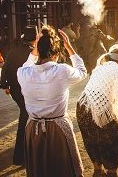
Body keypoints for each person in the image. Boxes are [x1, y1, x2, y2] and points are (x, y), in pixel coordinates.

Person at [17, 26, 88, 176]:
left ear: (38, 51)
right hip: (58, 128)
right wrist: (69, 47)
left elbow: (28, 63)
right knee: (63, 170)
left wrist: (36, 47)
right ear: (56, 54)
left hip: (33, 128)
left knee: (39, 170)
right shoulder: (62, 70)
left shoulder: (23, 73)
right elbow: (82, 72)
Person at [76, 44, 118, 177]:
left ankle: (98, 171)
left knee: (92, 139)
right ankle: (111, 173)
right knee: (114, 140)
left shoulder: (100, 67)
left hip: (83, 107)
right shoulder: (117, 70)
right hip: (97, 108)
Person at [0, 25, 37, 165]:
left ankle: (23, 154)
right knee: (26, 118)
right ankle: (20, 156)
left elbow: (5, 68)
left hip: (15, 90)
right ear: (35, 39)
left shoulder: (12, 51)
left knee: (26, 116)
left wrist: (5, 85)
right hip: (28, 90)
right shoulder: (34, 53)